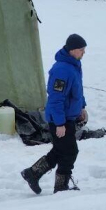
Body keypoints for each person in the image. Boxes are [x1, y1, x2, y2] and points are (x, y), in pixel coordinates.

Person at [21, 34, 88, 194]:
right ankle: (61, 187)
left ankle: (32, 173)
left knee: (60, 150)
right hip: (60, 119)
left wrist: (81, 107)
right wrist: (59, 124)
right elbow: (56, 98)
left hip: (68, 117)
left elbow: (77, 90)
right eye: (81, 50)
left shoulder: (74, 65)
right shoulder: (61, 70)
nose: (83, 53)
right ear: (72, 50)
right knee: (70, 152)